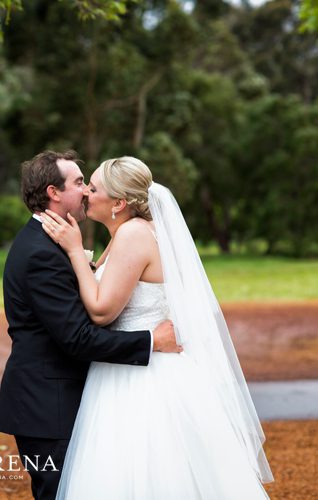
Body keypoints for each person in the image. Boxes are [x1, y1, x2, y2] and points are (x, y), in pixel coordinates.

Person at [40, 156, 273, 499]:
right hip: (128, 366)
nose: (87, 193)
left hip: (141, 379)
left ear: (118, 203)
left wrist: (75, 252)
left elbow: (103, 312)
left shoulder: (133, 234)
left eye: (94, 187)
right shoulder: (128, 233)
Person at [0, 150, 181, 500]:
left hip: (74, 398)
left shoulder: (60, 242)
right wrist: (151, 341)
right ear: (53, 192)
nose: (86, 192)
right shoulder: (40, 253)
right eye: (80, 183)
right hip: (48, 408)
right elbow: (78, 338)